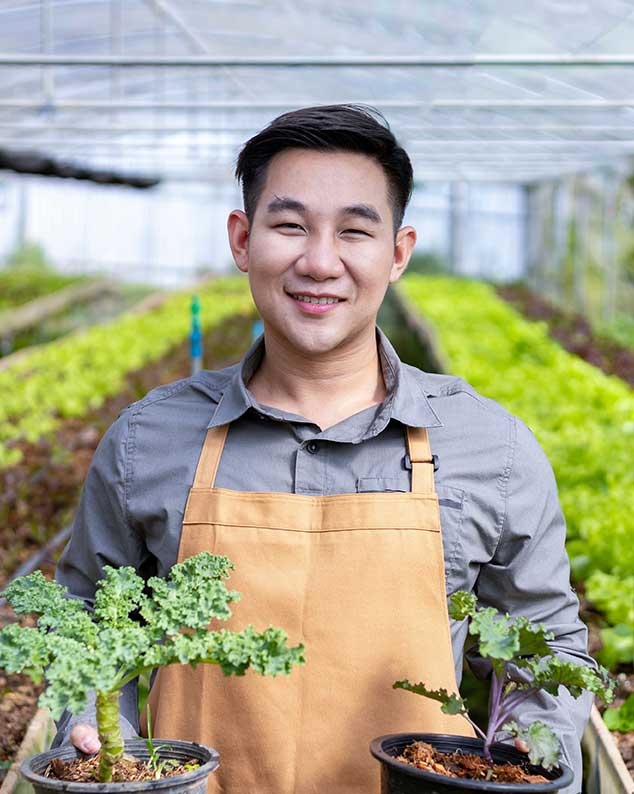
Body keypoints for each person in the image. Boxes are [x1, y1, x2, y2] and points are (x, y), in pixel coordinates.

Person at [54, 104, 593, 794]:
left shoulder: (493, 448)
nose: (319, 262)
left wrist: (530, 755)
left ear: (397, 254)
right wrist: (102, 739)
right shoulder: (146, 442)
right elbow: (89, 631)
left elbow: (544, 644)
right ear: (242, 240)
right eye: (289, 226)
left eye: (354, 231)